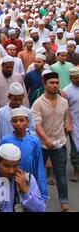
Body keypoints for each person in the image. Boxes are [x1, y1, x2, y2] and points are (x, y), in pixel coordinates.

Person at [32, 70, 72, 212]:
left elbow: (66, 117)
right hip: (41, 145)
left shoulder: (64, 102)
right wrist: (46, 139)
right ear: (45, 84)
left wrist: (68, 125)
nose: (55, 86)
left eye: (56, 83)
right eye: (52, 83)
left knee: (61, 176)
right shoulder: (38, 103)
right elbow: (36, 124)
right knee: (37, 175)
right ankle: (34, 203)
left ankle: (64, 204)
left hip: (60, 143)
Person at [0, 108, 48, 200]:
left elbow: (39, 167)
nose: (18, 124)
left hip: (28, 182)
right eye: (15, 121)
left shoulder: (34, 142)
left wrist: (43, 192)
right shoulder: (5, 140)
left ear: (27, 122)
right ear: (11, 122)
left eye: (21, 120)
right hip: (8, 181)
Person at [63, 67, 79, 182]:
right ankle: (76, 170)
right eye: (75, 78)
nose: (78, 79)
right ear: (70, 78)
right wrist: (68, 124)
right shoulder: (66, 91)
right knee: (75, 149)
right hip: (74, 123)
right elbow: (65, 109)